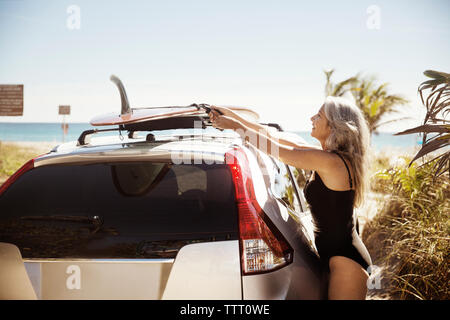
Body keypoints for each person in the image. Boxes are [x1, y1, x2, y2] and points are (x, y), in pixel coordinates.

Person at [209, 96, 373, 300]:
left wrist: (234, 126)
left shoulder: (332, 162)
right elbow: (270, 135)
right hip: (335, 258)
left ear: (334, 126)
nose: (312, 118)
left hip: (348, 263)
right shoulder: (325, 156)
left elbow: (278, 151)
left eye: (319, 115)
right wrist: (231, 116)